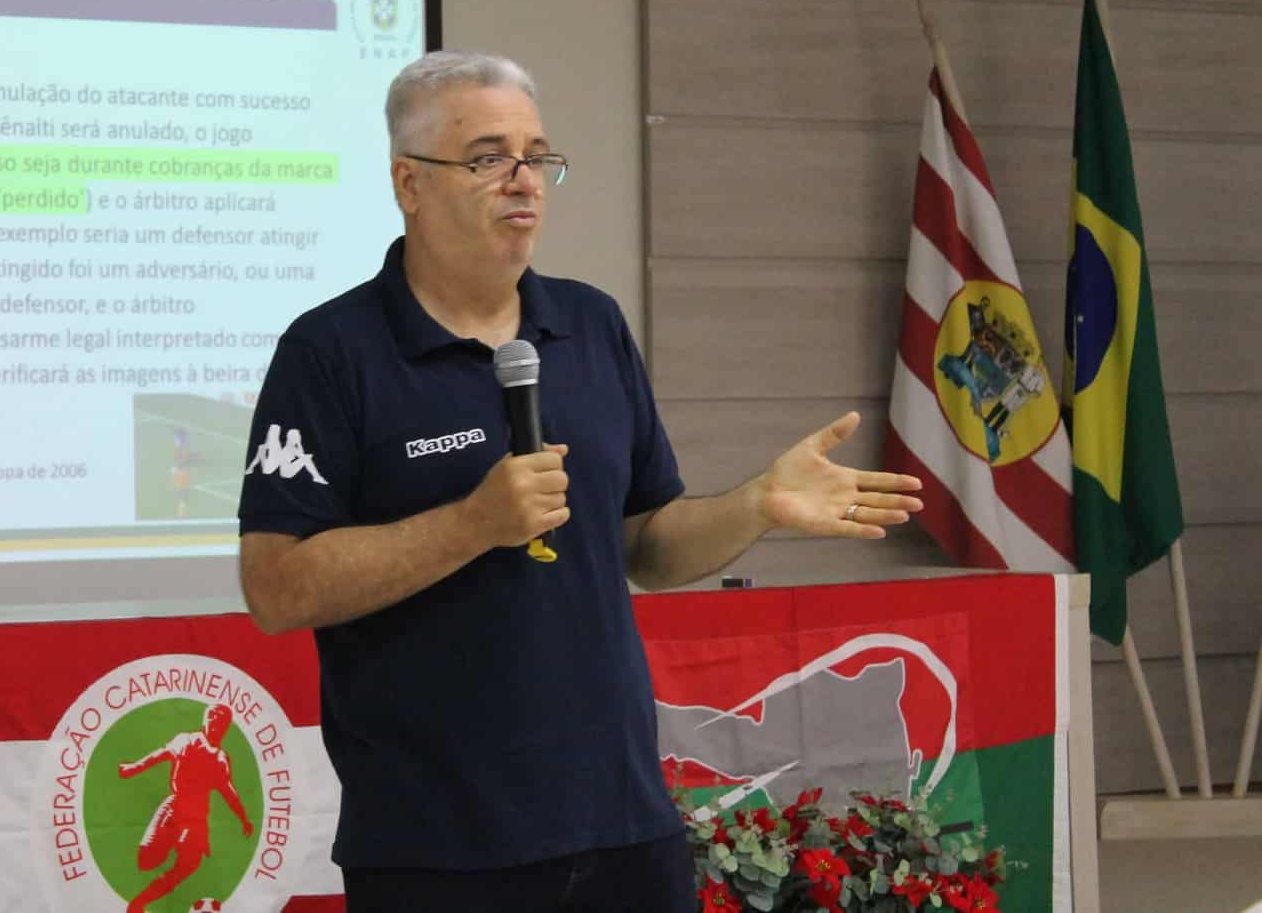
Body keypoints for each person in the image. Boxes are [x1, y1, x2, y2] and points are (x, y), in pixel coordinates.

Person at [237, 51, 922, 911]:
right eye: (488, 158)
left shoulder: (590, 324)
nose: (524, 180)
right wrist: (472, 524)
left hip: (621, 822)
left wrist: (756, 505)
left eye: (537, 156)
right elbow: (276, 588)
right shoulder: (331, 352)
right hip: (437, 843)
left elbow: (648, 545)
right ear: (409, 182)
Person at [117, 702, 253, 913]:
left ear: (226, 727)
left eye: (220, 721)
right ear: (205, 720)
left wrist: (243, 819)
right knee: (146, 860)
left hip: (196, 818)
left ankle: (139, 903)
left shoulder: (220, 759)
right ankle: (165, 846)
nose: (214, 723)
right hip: (174, 806)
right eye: (211, 717)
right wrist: (133, 768)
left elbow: (229, 792)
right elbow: (159, 755)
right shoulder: (185, 740)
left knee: (188, 865)